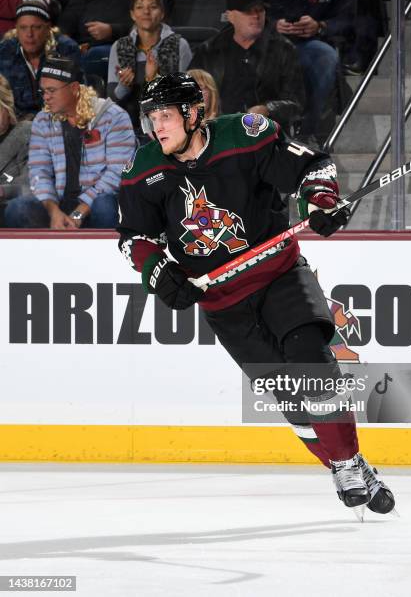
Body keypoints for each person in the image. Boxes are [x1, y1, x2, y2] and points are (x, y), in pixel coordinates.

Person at [116, 71, 395, 515]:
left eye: (165, 116)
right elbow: (134, 237)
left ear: (193, 114)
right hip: (224, 303)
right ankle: (350, 461)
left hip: (279, 274)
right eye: (151, 119)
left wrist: (320, 200)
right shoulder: (144, 169)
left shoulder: (246, 136)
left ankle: (344, 462)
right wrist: (158, 272)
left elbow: (313, 166)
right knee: (289, 396)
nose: (157, 128)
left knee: (311, 359)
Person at [4, 56, 136, 229]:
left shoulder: (114, 117)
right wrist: (54, 212)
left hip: (97, 203)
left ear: (74, 88)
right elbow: (38, 172)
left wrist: (78, 213)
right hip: (59, 204)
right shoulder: (43, 120)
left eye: (51, 90)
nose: (46, 97)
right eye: (43, 91)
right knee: (18, 208)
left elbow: (117, 174)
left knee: (105, 205)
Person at [189, 0, 305, 134]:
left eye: (260, 10)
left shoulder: (284, 50)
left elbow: (297, 103)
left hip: (266, 133)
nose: (256, 16)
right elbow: (189, 96)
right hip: (219, 132)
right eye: (248, 11)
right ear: (230, 16)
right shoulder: (208, 51)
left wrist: (267, 109)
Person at [266, 0, 357, 143]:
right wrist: (274, 24)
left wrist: (321, 26)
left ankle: (307, 133)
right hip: (269, 43)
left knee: (325, 56)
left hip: (311, 44)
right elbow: (248, 8)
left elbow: (348, 20)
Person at [107, 0, 192, 134]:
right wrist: (124, 86)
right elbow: (111, 99)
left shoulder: (179, 45)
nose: (146, 12)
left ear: (162, 13)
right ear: (132, 14)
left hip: (170, 127)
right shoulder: (119, 47)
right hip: (129, 128)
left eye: (153, 7)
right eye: (140, 7)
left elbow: (189, 94)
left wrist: (153, 79)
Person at [0, 0, 80, 119]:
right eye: (23, 28)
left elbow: (76, 96)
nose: (29, 34)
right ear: (16, 28)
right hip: (16, 122)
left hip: (58, 120)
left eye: (36, 27)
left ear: (48, 28)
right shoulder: (4, 51)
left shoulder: (66, 49)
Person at [58, 0, 141, 81]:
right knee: (59, 49)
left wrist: (111, 30)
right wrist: (65, 34)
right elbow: (72, 12)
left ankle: (89, 93)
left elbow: (142, 23)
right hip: (80, 44)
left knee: (95, 55)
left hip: (115, 43)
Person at [0, 74, 31, 226]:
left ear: (7, 107)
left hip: (9, 209)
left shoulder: (25, 133)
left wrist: (2, 190)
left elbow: (29, 184)